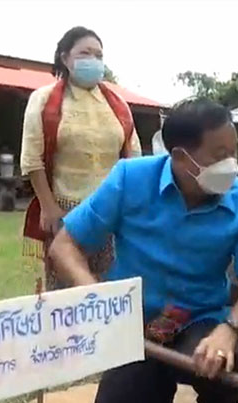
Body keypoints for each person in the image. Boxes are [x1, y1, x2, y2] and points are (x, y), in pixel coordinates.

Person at [48, 98, 238, 403]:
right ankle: (156, 392)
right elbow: (64, 245)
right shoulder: (129, 180)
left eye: (233, 151)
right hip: (136, 329)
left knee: (214, 358)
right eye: (220, 154)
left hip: (200, 321)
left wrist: (229, 330)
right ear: (182, 157)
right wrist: (97, 295)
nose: (233, 164)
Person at [21, 26, 141, 290]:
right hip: (66, 213)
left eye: (99, 55)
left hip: (112, 214)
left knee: (111, 289)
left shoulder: (118, 104)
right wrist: (48, 207)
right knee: (66, 292)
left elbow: (133, 158)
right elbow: (31, 160)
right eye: (85, 53)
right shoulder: (43, 100)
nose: (93, 60)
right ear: (65, 58)